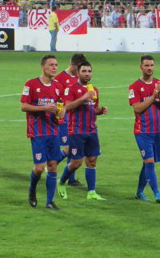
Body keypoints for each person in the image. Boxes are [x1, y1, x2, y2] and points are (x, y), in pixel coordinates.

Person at [57, 61, 108, 200]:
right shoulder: (72, 88)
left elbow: (93, 108)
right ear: (78, 73)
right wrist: (84, 97)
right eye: (84, 71)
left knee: (92, 160)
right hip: (77, 131)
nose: (87, 74)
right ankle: (61, 182)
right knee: (76, 163)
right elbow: (67, 106)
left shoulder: (94, 90)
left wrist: (100, 111)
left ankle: (91, 192)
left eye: (89, 71)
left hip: (92, 130)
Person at [21, 55, 64, 210]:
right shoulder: (31, 84)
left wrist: (61, 112)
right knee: (39, 168)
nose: (54, 68)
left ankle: (49, 201)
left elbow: (60, 105)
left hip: (53, 131)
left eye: (56, 65)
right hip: (37, 131)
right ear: (43, 67)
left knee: (52, 165)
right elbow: (24, 106)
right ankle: (32, 190)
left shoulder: (58, 86)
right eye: (51, 65)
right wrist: (44, 108)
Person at [128, 55, 160, 202]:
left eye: (151, 65)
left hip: (157, 132)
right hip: (142, 131)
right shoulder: (134, 87)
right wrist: (153, 96)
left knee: (148, 162)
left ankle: (139, 192)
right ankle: (157, 193)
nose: (149, 68)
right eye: (146, 65)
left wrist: (159, 93)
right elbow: (138, 108)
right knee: (150, 161)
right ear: (141, 67)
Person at [54, 53, 88, 187]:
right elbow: (55, 96)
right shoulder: (60, 78)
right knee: (69, 147)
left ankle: (71, 178)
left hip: (77, 118)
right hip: (64, 117)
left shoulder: (79, 78)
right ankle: (53, 162)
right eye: (79, 67)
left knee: (74, 147)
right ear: (73, 65)